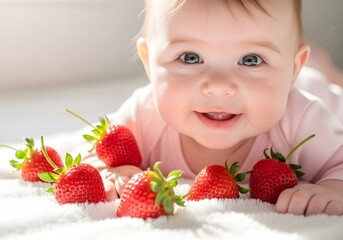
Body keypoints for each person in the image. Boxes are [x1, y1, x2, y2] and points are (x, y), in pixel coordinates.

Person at [81, 0, 343, 216]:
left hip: (321, 93)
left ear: (291, 69)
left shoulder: (303, 118)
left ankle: (323, 71)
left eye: (251, 60)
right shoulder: (144, 112)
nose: (219, 86)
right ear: (149, 63)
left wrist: (333, 189)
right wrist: (115, 170)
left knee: (329, 84)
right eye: (190, 57)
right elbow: (93, 151)